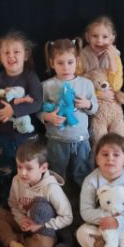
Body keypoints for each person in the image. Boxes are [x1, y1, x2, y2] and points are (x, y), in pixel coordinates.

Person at [0, 140, 74, 247]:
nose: (22, 173)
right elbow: (13, 204)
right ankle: (14, 243)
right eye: (19, 167)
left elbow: (67, 217)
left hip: (43, 229)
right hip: (23, 223)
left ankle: (12, 240)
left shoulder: (51, 188)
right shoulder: (16, 180)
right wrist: (21, 220)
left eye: (29, 168)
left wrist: (41, 226)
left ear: (43, 168)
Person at [0, 30, 43, 201]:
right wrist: (6, 106)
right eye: (6, 53)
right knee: (6, 170)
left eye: (16, 51)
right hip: (2, 136)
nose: (11, 56)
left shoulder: (30, 77)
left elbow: (37, 103)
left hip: (26, 137)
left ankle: (30, 199)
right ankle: (8, 201)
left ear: (26, 55)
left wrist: (14, 110)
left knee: (28, 170)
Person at [40, 38, 98, 187]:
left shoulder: (86, 84)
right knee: (56, 174)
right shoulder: (46, 86)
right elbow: (38, 110)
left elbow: (95, 108)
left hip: (81, 139)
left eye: (70, 62)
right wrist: (47, 116)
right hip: (56, 139)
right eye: (60, 63)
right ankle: (58, 197)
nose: (66, 67)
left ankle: (84, 196)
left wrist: (88, 104)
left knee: (83, 172)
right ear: (52, 63)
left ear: (77, 61)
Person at [77, 15, 123, 98]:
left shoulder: (115, 57)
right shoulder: (81, 57)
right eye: (95, 36)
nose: (99, 40)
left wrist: (112, 60)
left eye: (105, 37)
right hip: (87, 97)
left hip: (109, 98)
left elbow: (116, 87)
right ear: (87, 37)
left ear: (112, 39)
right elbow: (77, 83)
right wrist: (98, 94)